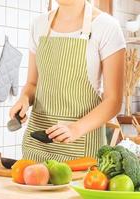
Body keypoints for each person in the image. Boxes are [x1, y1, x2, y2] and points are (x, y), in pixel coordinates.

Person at [10, 0, 126, 162]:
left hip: (82, 149)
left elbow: (113, 101)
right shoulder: (39, 25)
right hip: (37, 145)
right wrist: (24, 99)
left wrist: (75, 129)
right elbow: (33, 84)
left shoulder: (107, 27)